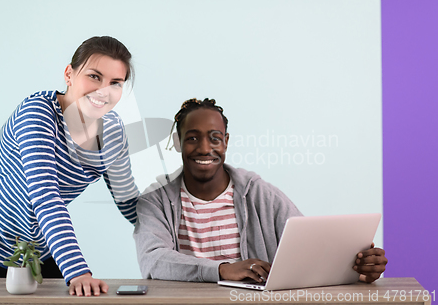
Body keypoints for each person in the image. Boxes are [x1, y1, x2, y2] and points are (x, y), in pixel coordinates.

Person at [0, 36, 139, 296]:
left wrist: (179, 228)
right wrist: (78, 272)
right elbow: (46, 196)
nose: (104, 91)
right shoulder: (38, 114)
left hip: (35, 248)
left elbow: (127, 200)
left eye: (115, 83)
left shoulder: (113, 132)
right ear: (69, 74)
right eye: (94, 76)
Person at [133, 98, 388, 283]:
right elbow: (153, 260)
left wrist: (359, 270)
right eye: (192, 138)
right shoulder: (154, 202)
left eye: (214, 138)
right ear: (178, 143)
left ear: (226, 142)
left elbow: (308, 250)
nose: (204, 148)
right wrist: (222, 270)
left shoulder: (260, 195)